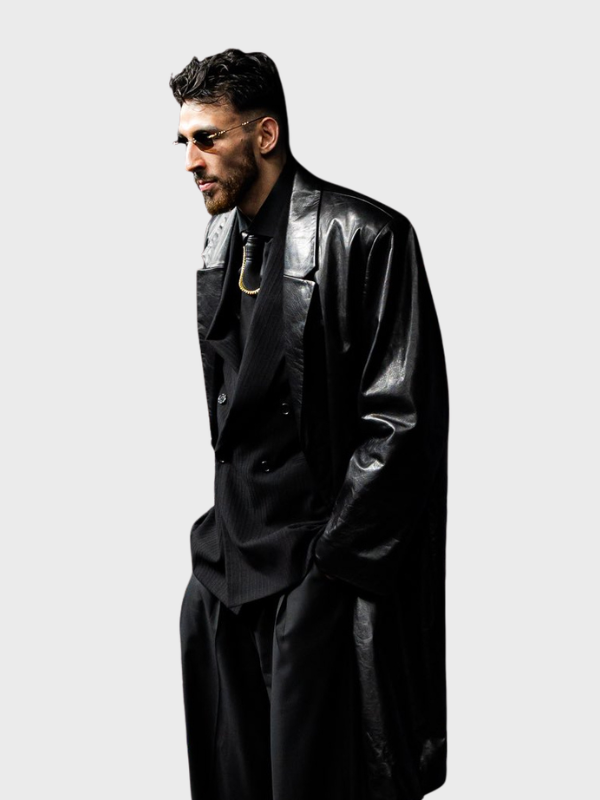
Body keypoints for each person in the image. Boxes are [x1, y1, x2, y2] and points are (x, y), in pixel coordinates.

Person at [170, 48, 449, 800]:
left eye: (207, 139)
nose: (190, 161)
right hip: (226, 566)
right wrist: (213, 553)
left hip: (316, 571)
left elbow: (404, 423)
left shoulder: (367, 236)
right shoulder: (220, 241)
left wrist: (331, 566)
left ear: (264, 135)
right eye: (184, 141)